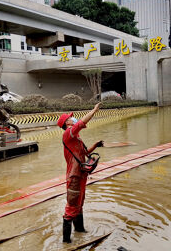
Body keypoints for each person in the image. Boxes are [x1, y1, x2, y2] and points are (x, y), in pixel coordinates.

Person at [58, 102, 104, 243]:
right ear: (67, 123)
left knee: (79, 203)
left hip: (81, 174)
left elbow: (84, 152)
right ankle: (66, 242)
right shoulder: (68, 134)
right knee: (72, 206)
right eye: (71, 118)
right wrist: (94, 110)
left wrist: (96, 145)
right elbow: (82, 123)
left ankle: (80, 231)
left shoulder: (76, 138)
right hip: (74, 176)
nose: (74, 119)